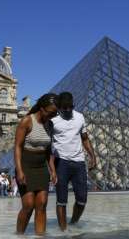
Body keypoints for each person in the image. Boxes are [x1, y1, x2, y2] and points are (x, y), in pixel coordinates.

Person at [51, 92, 97, 231]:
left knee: (82, 199)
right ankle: (63, 231)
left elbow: (84, 138)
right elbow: (46, 144)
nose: (68, 110)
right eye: (64, 108)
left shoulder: (80, 117)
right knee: (61, 200)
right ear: (59, 107)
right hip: (61, 163)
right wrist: (51, 167)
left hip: (78, 162)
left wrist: (92, 156)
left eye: (70, 107)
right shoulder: (52, 120)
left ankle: (73, 223)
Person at [14, 93, 58, 235]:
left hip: (41, 167)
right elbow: (17, 147)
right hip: (26, 164)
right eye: (52, 113)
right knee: (28, 205)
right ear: (42, 108)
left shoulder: (50, 124)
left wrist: (53, 170)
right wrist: (19, 170)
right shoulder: (27, 121)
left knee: (42, 204)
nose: (53, 116)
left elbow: (48, 150)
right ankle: (19, 235)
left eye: (55, 113)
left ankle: (40, 236)